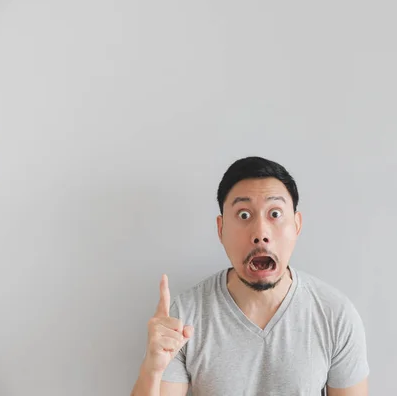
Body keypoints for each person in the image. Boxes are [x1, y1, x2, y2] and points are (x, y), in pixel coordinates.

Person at [131, 156, 369, 396]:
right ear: (221, 229)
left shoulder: (335, 315)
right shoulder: (183, 318)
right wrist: (152, 371)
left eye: (275, 214)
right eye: (244, 215)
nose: (261, 233)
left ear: (296, 225)